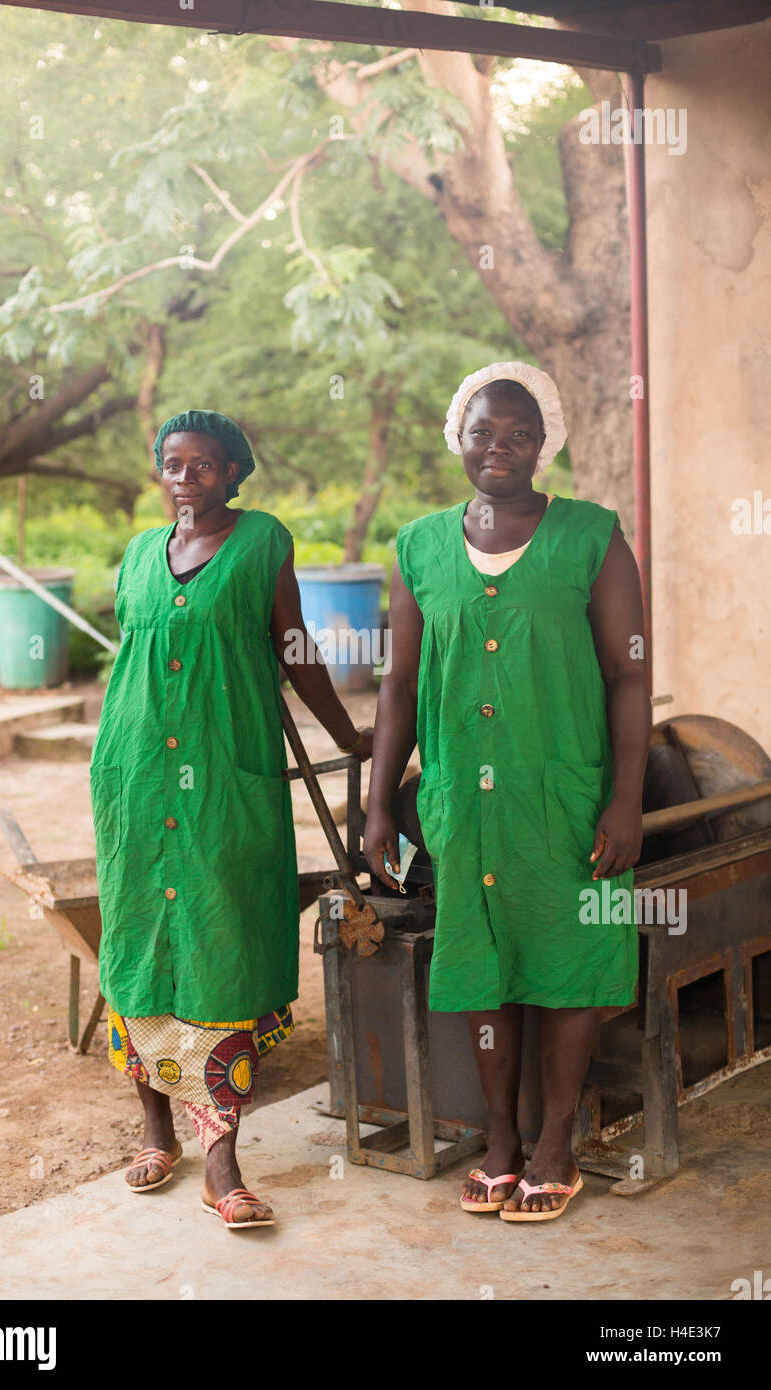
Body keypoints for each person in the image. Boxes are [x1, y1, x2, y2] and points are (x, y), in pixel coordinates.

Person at [363, 362, 650, 1223]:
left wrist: (626, 798)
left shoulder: (593, 537)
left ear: (544, 444)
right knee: (481, 968)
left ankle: (555, 1141)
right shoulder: (418, 548)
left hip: (563, 798)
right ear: (460, 436)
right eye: (484, 430)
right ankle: (500, 1140)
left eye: (520, 433)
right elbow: (397, 687)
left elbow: (627, 677)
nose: (500, 447)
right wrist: (380, 803)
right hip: (466, 804)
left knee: (566, 967)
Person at [90, 409, 372, 1228]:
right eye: (174, 464)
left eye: (205, 465)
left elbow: (291, 647)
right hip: (137, 781)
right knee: (140, 949)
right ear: (160, 472)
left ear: (234, 474)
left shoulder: (261, 543)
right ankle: (155, 1132)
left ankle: (221, 1163)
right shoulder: (141, 553)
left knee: (222, 948)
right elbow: (137, 655)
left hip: (223, 781)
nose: (187, 478)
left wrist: (346, 733)